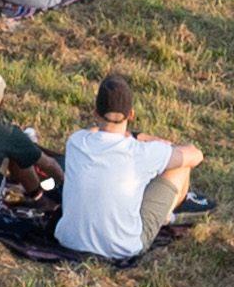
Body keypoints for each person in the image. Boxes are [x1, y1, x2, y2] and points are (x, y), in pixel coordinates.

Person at [52, 74, 195, 264]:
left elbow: (93, 131)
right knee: (181, 167)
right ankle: (165, 216)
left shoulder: (76, 141)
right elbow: (195, 155)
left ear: (95, 113)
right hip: (122, 249)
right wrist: (160, 143)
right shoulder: (142, 152)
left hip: (68, 241)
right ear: (131, 114)